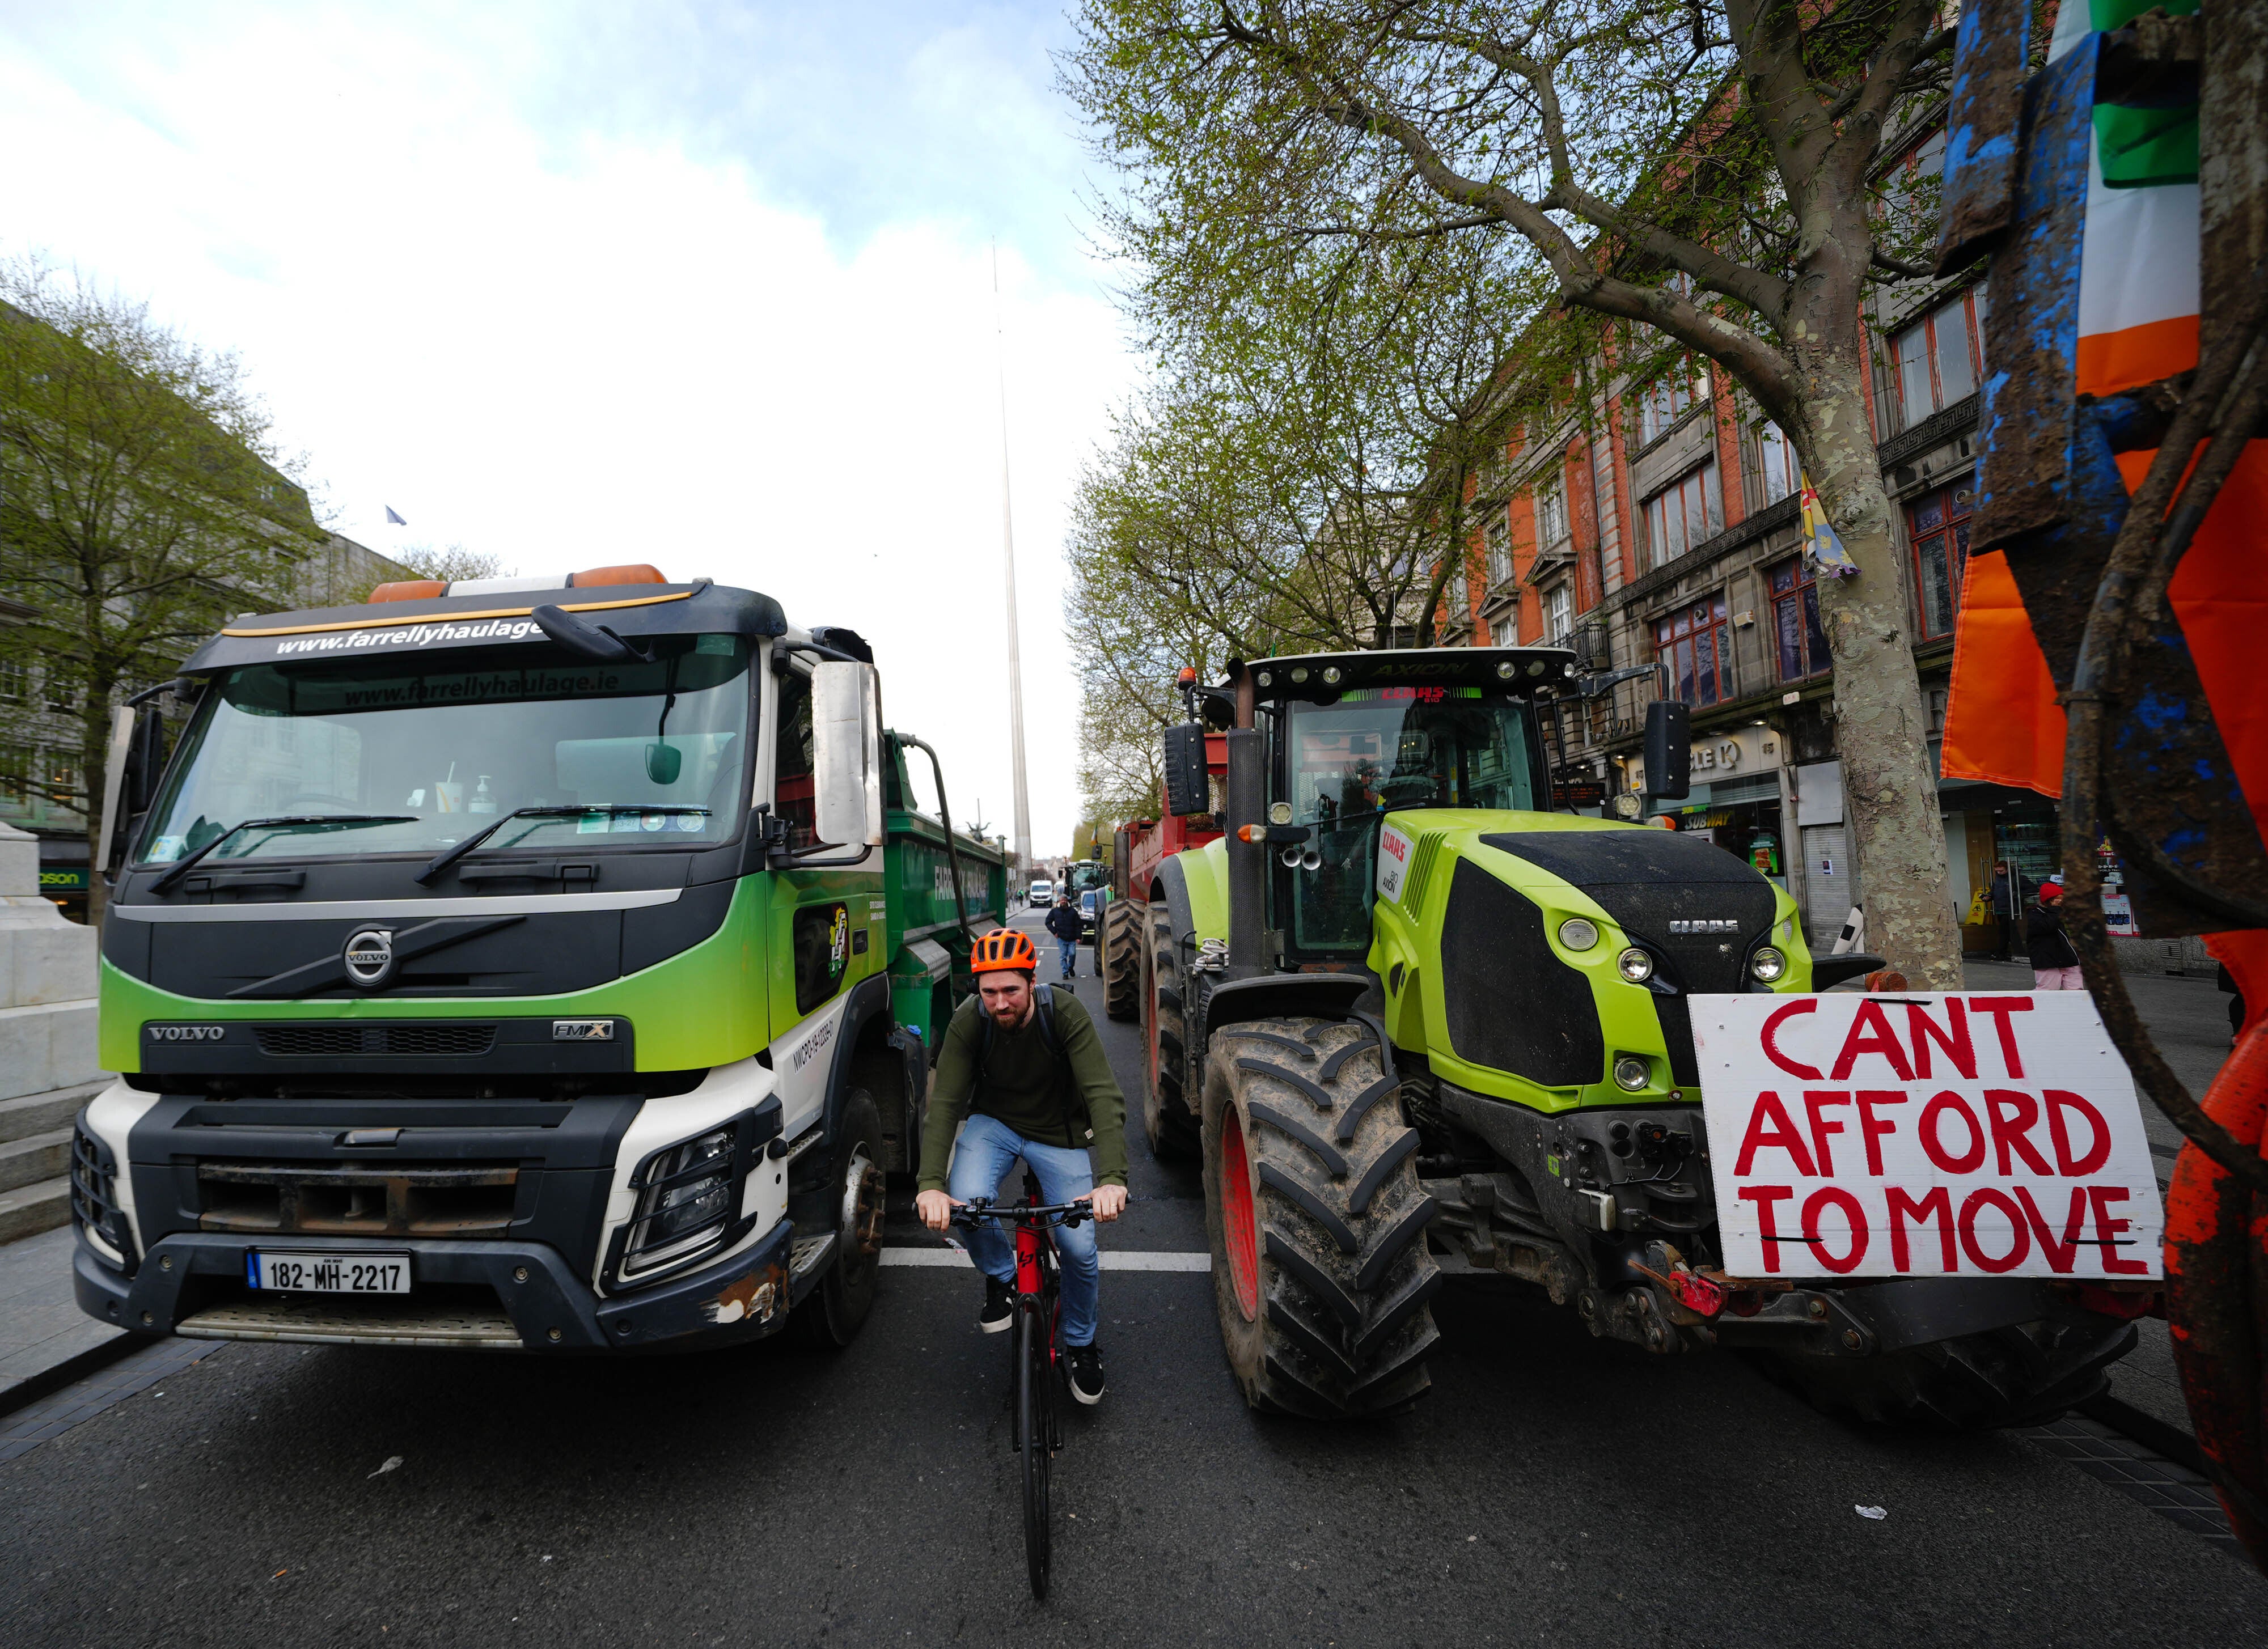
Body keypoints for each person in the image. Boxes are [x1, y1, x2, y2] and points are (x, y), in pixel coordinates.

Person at [915, 927, 1128, 1405]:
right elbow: (946, 1103)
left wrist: (1113, 1178)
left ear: (1033, 982)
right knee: (965, 1206)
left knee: (1077, 1245)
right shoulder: (971, 1020)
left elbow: (1102, 1094)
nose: (1000, 1003)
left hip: (1058, 1131)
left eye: (1011, 989)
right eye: (989, 992)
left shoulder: (1064, 1013)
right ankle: (1005, 1274)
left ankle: (1080, 1343)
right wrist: (930, 1184)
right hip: (994, 1124)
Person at [2026, 881, 2084, 990]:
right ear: (2049, 900)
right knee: (2048, 990)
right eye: (2058, 900)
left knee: (2076, 991)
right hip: (2048, 960)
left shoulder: (2064, 912)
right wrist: (2055, 910)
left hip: (2069, 957)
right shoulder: (2035, 914)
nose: (2061, 902)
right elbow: (2048, 927)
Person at [1044, 892, 1083, 980]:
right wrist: (1054, 932)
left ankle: (1070, 967)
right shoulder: (1055, 912)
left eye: (1064, 900)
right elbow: (1048, 922)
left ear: (1067, 901)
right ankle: (1065, 973)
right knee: (1063, 956)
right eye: (1061, 900)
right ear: (1059, 901)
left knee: (1072, 954)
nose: (1063, 902)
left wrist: (1078, 937)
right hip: (1061, 938)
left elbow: (1078, 925)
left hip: (1072, 937)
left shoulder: (1073, 912)